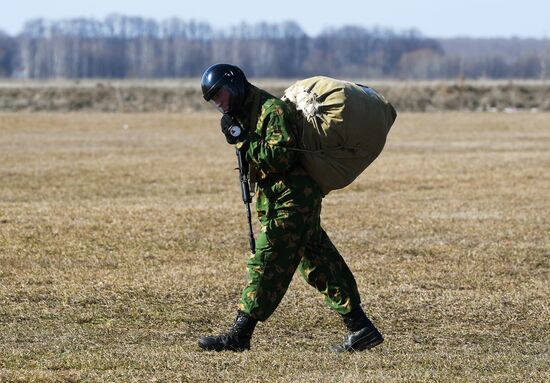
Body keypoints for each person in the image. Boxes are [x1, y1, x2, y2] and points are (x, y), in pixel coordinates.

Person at [198, 63, 383, 352]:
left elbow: (279, 158)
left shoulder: (272, 111)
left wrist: (243, 139)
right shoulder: (244, 115)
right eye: (213, 100)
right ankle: (361, 328)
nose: (218, 103)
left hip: (293, 201)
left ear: (234, 86)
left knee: (268, 261)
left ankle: (239, 334)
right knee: (321, 264)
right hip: (283, 200)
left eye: (219, 95)